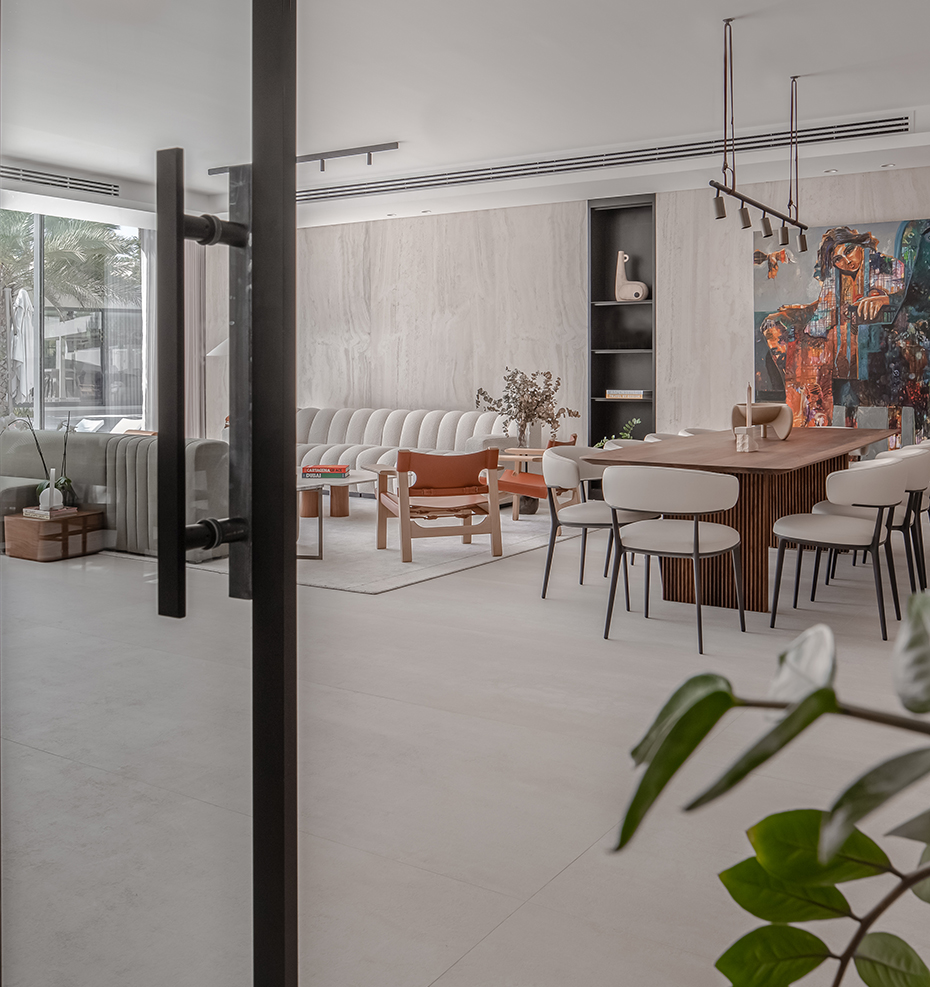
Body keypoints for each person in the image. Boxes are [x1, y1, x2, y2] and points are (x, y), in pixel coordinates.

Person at [760, 226, 905, 426]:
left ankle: (813, 410)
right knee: (790, 336)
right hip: (835, 341)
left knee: (820, 343)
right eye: (838, 259)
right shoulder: (833, 278)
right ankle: (811, 414)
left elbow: (905, 296)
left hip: (876, 341)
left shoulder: (888, 265)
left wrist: (883, 298)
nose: (847, 262)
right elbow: (822, 317)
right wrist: (804, 313)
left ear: (859, 245)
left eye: (848, 251)